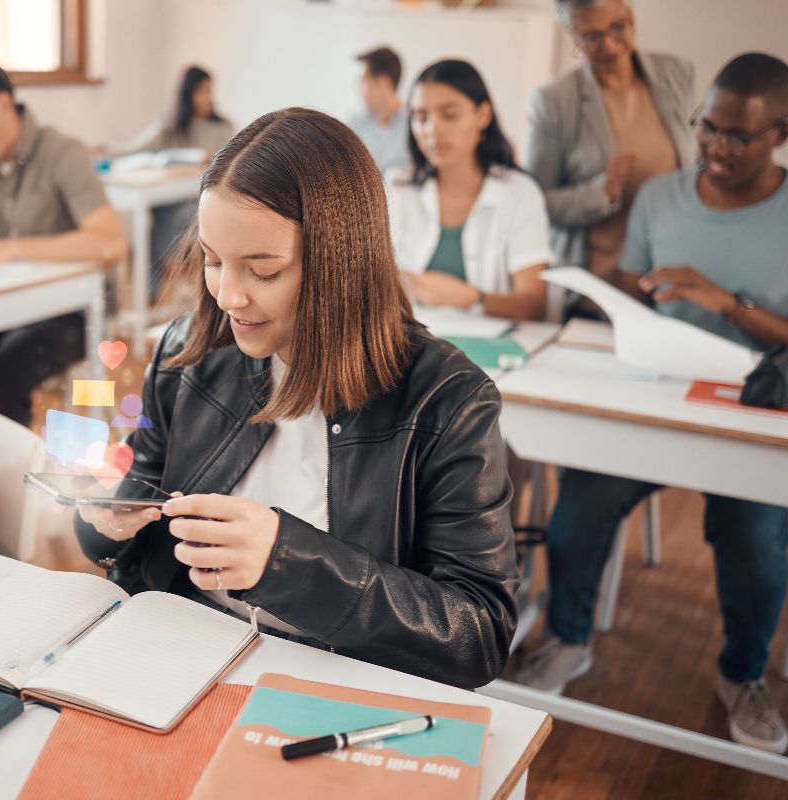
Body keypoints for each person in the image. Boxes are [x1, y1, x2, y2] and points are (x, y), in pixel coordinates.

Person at [74, 107, 519, 689]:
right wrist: (106, 523)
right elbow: (144, 511)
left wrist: (289, 560)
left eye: (263, 271)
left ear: (342, 264)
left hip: (336, 688)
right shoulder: (191, 352)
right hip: (184, 662)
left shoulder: (447, 400)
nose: (228, 295)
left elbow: (478, 636)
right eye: (212, 260)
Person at [518, 52, 788, 754]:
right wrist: (609, 290)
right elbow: (636, 282)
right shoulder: (663, 195)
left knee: (757, 540)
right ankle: (568, 640)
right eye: (709, 129)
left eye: (739, 136)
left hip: (753, 407)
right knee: (579, 503)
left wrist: (725, 302)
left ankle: (744, 676)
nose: (717, 148)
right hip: (657, 394)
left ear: (780, 134)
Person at [526, 0, 694, 319]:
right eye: (592, 36)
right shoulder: (553, 100)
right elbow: (534, 202)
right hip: (598, 286)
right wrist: (601, 192)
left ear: (631, 18)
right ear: (573, 38)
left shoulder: (676, 72)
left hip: (668, 282)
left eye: (617, 27)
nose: (609, 44)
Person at [0, 60, 127, 427]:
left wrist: (14, 249)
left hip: (75, 312)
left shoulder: (62, 154)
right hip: (12, 304)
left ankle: (4, 481)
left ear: (2, 104)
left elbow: (111, 243)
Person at [387, 59, 552, 321]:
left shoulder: (520, 192)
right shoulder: (397, 186)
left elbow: (534, 304)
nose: (432, 130)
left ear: (482, 115)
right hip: (409, 345)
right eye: (420, 118)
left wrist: (470, 299)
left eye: (449, 115)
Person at [114, 65, 235, 299]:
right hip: (166, 206)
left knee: (176, 218)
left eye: (210, 91)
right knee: (155, 219)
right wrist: (103, 150)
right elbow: (133, 149)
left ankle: (160, 288)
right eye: (201, 91)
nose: (207, 97)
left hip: (201, 202)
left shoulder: (222, 128)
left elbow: (233, 167)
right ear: (187, 94)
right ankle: (155, 294)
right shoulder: (169, 129)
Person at [348, 47, 410, 174]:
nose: (356, 89)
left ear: (383, 83)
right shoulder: (351, 125)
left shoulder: (415, 124)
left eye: (361, 81)